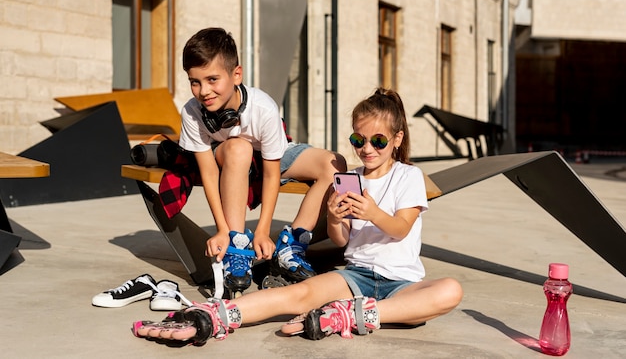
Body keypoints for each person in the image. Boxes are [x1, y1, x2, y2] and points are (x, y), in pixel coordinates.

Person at [133, 87, 463, 344]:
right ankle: (214, 315)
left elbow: (401, 228)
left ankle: (354, 314)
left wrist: (372, 211)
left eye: (378, 141)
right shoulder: (351, 179)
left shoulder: (408, 177)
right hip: (356, 277)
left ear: (397, 139)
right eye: (358, 140)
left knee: (449, 290)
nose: (367, 149)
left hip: (401, 282)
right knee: (295, 295)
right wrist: (334, 218)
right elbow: (343, 240)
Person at [177, 27, 347, 296]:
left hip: (269, 156)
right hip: (231, 156)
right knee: (239, 148)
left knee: (333, 163)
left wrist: (264, 230)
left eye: (212, 79)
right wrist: (221, 229)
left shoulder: (263, 107)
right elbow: (209, 173)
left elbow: (271, 173)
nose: (203, 91)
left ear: (236, 75)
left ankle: (292, 244)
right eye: (194, 82)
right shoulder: (192, 112)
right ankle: (236, 244)